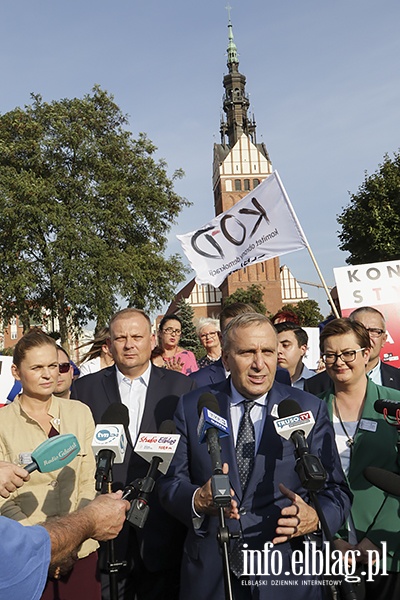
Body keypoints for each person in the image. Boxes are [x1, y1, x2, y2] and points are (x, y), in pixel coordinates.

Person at [159, 313, 351, 599]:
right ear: (225, 359)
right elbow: (170, 484)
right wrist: (198, 500)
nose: (259, 364)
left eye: (268, 352)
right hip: (213, 573)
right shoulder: (193, 407)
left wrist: (315, 517)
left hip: (287, 573)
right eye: (247, 352)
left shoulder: (306, 407)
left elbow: (336, 491)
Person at [71, 307, 196, 600]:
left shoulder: (181, 387)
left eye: (137, 336)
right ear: (110, 344)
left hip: (163, 523)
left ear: (152, 340)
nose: (129, 344)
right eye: (121, 337)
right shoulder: (84, 390)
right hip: (106, 527)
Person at [0, 329, 100, 599]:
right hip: (26, 558)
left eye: (53, 366)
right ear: (16, 372)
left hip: (81, 552)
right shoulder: (2, 423)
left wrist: (72, 538)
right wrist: (44, 543)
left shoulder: (80, 413)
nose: (48, 374)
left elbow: (89, 480)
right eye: (37, 367)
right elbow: (3, 499)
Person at [318, 318, 400, 599]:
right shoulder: (313, 410)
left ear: (366, 353)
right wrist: (335, 538)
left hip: (390, 550)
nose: (339, 361)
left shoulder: (395, 404)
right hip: (334, 554)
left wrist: (375, 539)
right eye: (330, 354)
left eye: (348, 353)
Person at [0, 460, 129, 600]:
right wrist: (55, 547)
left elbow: (88, 481)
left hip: (79, 554)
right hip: (25, 565)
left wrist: (72, 543)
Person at [190, 303, 291, 387]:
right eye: (232, 333)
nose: (259, 365)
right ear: (221, 338)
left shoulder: (280, 376)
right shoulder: (198, 381)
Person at [305, 306, 400, 395]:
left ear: (384, 339)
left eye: (374, 331)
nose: (367, 336)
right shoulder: (315, 386)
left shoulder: (397, 379)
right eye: (359, 330)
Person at [274, 322, 315, 389]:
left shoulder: (318, 382)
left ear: (303, 349)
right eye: (274, 346)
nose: (278, 351)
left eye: (285, 345)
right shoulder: (264, 382)